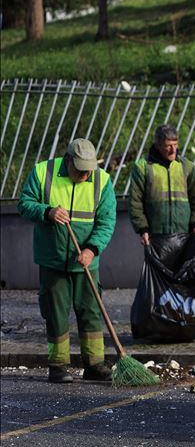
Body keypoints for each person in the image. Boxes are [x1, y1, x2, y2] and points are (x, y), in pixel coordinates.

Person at [17, 138, 117, 383]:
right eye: (79, 170)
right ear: (68, 160)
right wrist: (47, 211)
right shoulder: (43, 172)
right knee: (56, 313)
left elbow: (106, 222)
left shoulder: (101, 180)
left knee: (91, 312)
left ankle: (94, 365)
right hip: (52, 260)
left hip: (86, 262)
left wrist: (92, 250)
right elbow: (24, 204)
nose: (84, 175)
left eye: (88, 171)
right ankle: (58, 366)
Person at [128, 124, 195, 245]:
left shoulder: (187, 167)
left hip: (185, 234)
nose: (173, 150)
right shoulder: (143, 167)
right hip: (155, 237)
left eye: (175, 144)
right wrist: (142, 229)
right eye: (168, 146)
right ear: (158, 146)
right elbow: (135, 202)